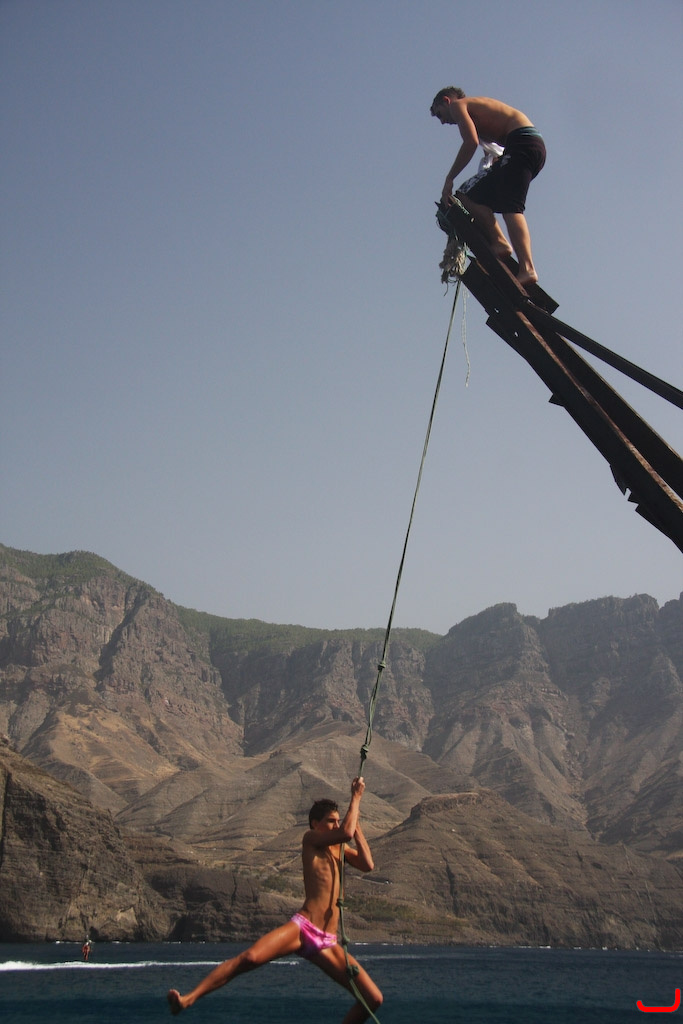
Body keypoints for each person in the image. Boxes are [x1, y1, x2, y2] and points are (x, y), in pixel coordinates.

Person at [167, 777, 383, 1022]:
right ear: (315, 824)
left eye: (337, 821)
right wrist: (356, 797)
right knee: (249, 958)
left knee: (373, 999)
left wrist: (358, 829)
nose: (335, 826)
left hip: (328, 941)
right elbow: (345, 833)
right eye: (330, 821)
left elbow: (367, 864)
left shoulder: (340, 850)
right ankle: (188, 999)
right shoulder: (310, 840)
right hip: (304, 928)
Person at [430, 87, 546, 287]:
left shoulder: (459, 106)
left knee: (508, 206)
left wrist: (449, 178)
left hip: (522, 144)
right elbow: (491, 151)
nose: (442, 122)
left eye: (439, 114)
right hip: (527, 147)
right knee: (471, 195)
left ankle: (527, 268)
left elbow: (470, 143)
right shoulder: (477, 113)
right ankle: (499, 242)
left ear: (446, 101)